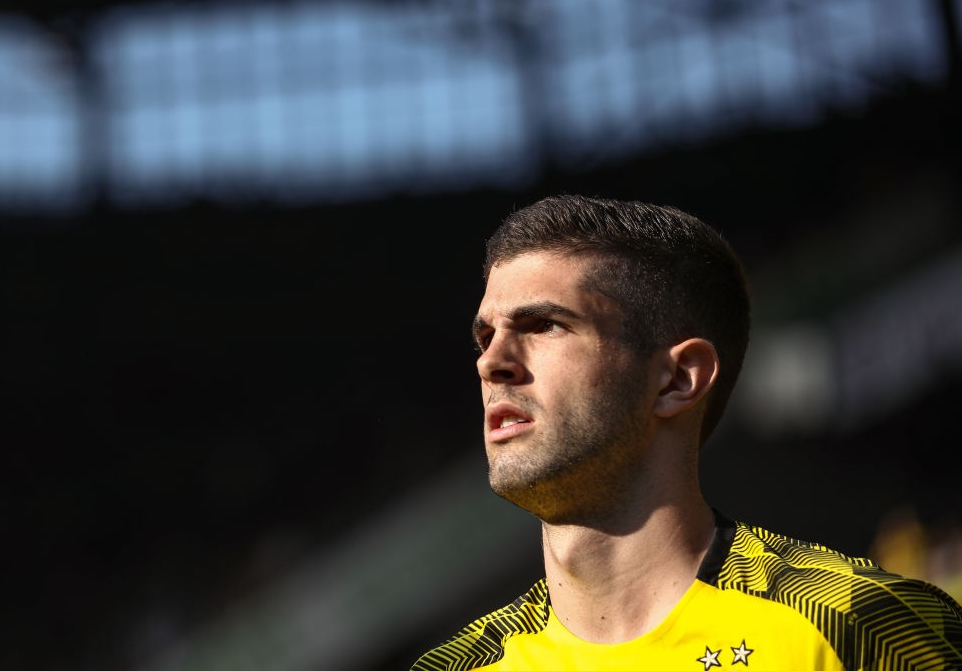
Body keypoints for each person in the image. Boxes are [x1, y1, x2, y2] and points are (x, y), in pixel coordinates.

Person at [409, 195, 962, 670]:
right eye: (486, 336)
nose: (491, 363)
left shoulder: (856, 624)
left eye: (544, 325)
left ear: (677, 379)